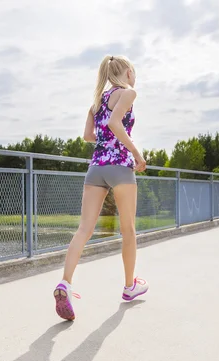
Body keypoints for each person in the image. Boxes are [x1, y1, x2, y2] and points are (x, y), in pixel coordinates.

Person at [53, 55, 149, 321]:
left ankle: (65, 283)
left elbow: (88, 136)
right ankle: (130, 287)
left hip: (96, 167)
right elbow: (115, 124)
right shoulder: (128, 93)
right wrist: (138, 155)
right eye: (134, 72)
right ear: (128, 72)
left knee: (84, 229)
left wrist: (106, 139)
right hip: (119, 166)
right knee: (128, 230)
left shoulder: (97, 101)